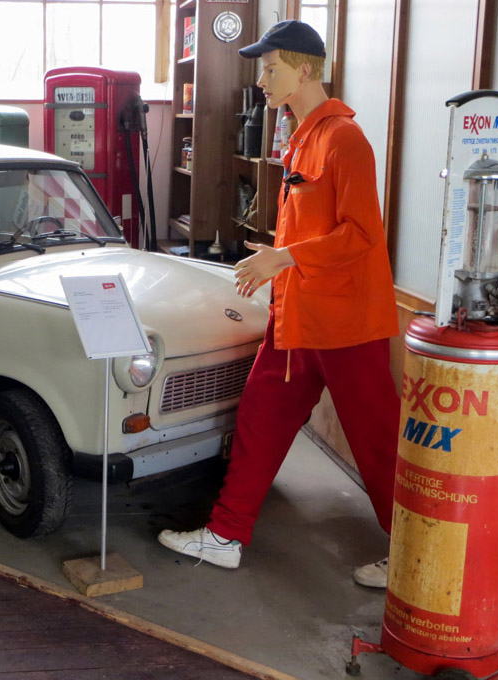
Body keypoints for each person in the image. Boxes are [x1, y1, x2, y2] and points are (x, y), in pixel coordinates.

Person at [157, 20, 400, 589]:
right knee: (260, 419)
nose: (262, 79)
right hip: (297, 320)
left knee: (378, 441)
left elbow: (363, 234)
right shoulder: (299, 137)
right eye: (262, 69)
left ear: (305, 69)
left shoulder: (344, 140)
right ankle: (225, 535)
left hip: (347, 323)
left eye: (271, 69)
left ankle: (413, 557)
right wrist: (277, 267)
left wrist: (282, 259)